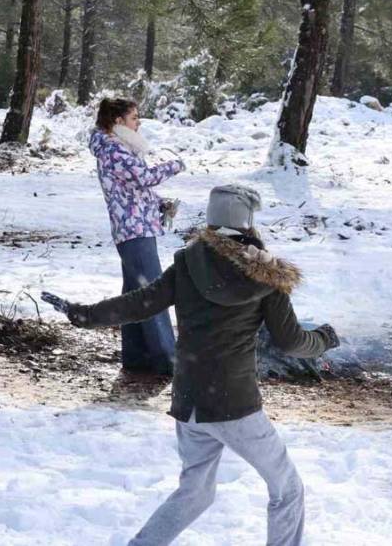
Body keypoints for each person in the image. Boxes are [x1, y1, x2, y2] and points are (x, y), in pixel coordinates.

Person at [42, 184, 340, 546]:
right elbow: (291, 342)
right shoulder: (266, 277)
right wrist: (324, 339)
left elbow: (140, 303)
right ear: (247, 221)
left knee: (195, 492)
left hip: (190, 403)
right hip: (234, 405)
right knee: (287, 489)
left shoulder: (187, 263)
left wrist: (85, 314)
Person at [90, 97, 184, 375]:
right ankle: (167, 360)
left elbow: (133, 189)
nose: (138, 122)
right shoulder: (113, 149)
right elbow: (143, 177)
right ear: (118, 120)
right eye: (134, 118)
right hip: (134, 229)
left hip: (136, 226)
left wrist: (159, 204)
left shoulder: (117, 147)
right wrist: (174, 165)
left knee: (135, 293)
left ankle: (137, 356)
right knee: (152, 293)